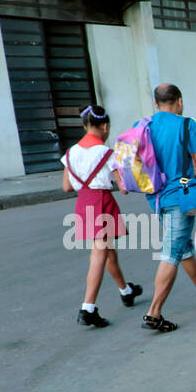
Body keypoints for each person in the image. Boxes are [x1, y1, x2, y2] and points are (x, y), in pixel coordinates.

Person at [141, 83, 196, 332]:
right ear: (179, 101)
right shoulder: (186, 125)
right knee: (171, 252)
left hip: (156, 197)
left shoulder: (144, 126)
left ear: (155, 104)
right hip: (182, 196)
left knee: (182, 245)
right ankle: (154, 313)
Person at [61, 104, 142, 327]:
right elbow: (124, 187)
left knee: (107, 251)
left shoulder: (70, 153)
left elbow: (67, 186)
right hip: (102, 203)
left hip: (83, 202)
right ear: (104, 126)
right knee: (100, 253)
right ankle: (88, 308)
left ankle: (126, 291)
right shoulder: (107, 153)